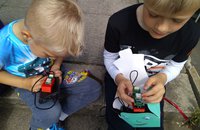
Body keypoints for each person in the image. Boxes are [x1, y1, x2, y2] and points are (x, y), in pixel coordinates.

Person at [0, 0, 101, 130]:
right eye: (49, 54)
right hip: (27, 83)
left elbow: (58, 54)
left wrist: (56, 65)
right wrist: (25, 84)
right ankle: (42, 125)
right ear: (27, 36)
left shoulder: (48, 34)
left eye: (57, 54)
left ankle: (58, 118)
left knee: (92, 88)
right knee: (49, 112)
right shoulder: (4, 44)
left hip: (54, 73)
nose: (53, 57)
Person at [103, 0, 200, 130]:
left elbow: (176, 64)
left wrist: (162, 78)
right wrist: (119, 78)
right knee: (119, 124)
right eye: (153, 14)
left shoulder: (190, 34)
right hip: (119, 79)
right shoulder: (119, 23)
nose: (161, 27)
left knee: (152, 125)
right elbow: (110, 57)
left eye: (177, 20)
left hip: (154, 85)